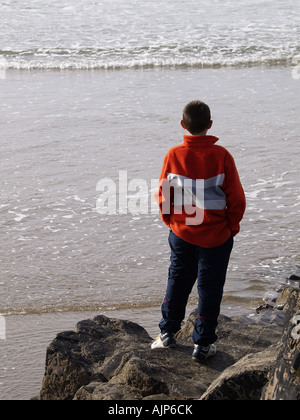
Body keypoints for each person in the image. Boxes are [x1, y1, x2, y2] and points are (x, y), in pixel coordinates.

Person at [152, 100, 246, 362]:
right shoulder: (222, 155)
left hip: (182, 232)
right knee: (210, 288)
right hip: (216, 236)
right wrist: (231, 227)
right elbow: (236, 198)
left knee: (178, 279)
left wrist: (170, 222)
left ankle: (168, 333)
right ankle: (203, 344)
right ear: (210, 125)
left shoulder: (173, 154)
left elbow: (163, 194)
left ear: (183, 125)